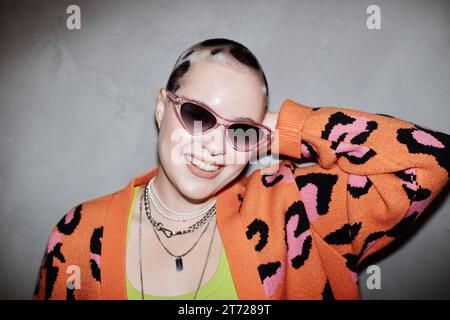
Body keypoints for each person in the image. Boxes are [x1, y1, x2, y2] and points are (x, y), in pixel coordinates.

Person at [33, 38, 449, 300]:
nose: (215, 146)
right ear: (162, 106)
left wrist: (284, 127)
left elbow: (430, 160)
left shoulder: (296, 210)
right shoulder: (81, 234)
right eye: (198, 115)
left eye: (240, 131)